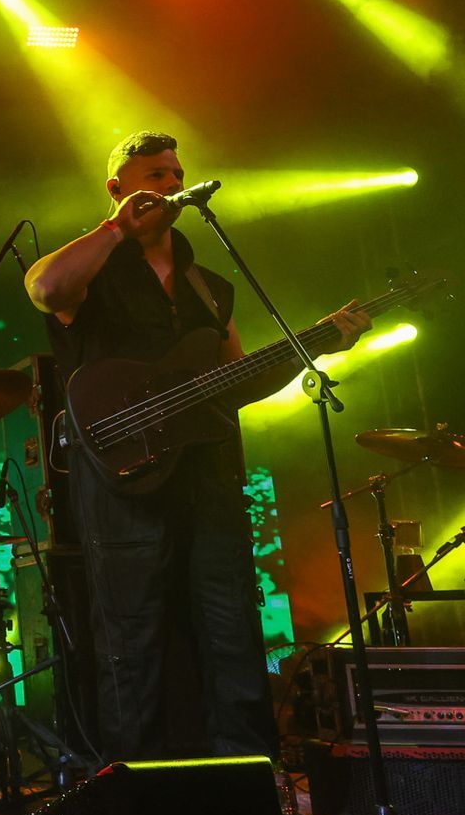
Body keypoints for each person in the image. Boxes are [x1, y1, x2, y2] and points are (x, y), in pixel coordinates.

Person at [23, 131, 369, 764]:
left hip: (207, 473)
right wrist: (115, 229)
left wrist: (317, 343)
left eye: (176, 173)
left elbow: (236, 380)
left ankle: (247, 780)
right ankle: (136, 791)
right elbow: (44, 289)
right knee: (131, 640)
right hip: (122, 478)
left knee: (232, 630)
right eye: (154, 174)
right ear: (118, 188)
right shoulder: (94, 268)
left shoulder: (208, 285)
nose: (170, 184)